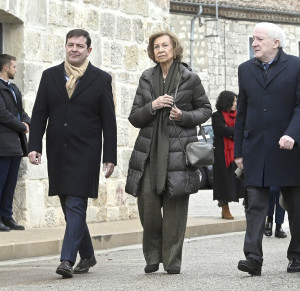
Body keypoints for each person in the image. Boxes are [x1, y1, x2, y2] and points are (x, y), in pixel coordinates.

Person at [28, 29, 117, 278]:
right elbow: (39, 113)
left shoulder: (100, 79)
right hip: (58, 150)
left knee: (77, 203)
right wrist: (34, 145)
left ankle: (67, 260)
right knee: (69, 207)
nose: (74, 49)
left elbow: (109, 121)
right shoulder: (49, 76)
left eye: (80, 45)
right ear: (65, 47)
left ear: (89, 50)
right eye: (70, 45)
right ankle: (87, 255)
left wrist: (109, 156)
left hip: (86, 152)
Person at [125, 31, 211, 274]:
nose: (160, 50)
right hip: (149, 154)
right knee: (148, 208)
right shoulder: (145, 78)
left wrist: (184, 116)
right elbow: (134, 117)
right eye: (156, 47)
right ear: (152, 52)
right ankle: (152, 256)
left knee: (175, 211)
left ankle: (172, 260)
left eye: (165, 45)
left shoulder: (189, 78)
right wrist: (152, 106)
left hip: (178, 154)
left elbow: (205, 110)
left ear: (174, 49)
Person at [234, 22, 300, 276]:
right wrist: (238, 150)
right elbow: (242, 112)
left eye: (259, 39)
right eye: (253, 39)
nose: (254, 43)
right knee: (255, 204)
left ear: (275, 43)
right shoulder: (245, 69)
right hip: (256, 147)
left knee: (295, 205)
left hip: (288, 147)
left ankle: (297, 254)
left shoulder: (298, 67)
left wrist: (292, 132)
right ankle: (253, 258)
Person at [0, 54, 30, 232]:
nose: (16, 69)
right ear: (5, 68)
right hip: (3, 144)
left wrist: (27, 122)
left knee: (10, 184)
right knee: (1, 182)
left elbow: (21, 111)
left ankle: (7, 217)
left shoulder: (14, 88)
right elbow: (2, 114)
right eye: (14, 66)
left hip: (15, 144)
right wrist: (22, 126)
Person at [211, 90, 245, 220]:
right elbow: (223, 130)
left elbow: (243, 129)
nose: (236, 103)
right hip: (222, 155)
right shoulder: (217, 116)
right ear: (227, 102)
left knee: (240, 180)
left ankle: (248, 205)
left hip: (238, 154)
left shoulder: (240, 115)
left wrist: (233, 132)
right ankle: (225, 207)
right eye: (234, 101)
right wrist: (236, 132)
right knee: (224, 182)